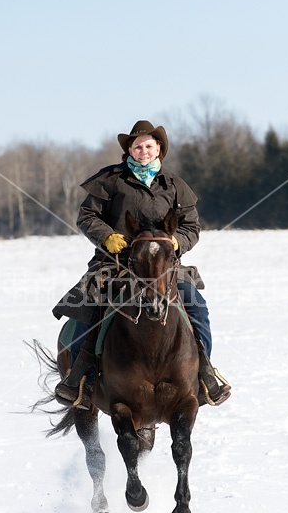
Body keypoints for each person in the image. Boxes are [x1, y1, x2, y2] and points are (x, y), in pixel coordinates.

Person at [52, 120, 230, 408]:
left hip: (164, 266)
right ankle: (79, 381)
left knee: (197, 306)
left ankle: (204, 372)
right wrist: (107, 236)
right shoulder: (110, 181)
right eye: (137, 146)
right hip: (114, 263)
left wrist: (176, 243)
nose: (143, 151)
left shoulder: (173, 185)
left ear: (158, 148)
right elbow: (87, 217)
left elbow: (191, 226)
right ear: (129, 150)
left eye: (148, 145)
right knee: (86, 312)